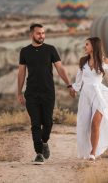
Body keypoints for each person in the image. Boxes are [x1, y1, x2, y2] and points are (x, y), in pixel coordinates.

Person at [17, 23, 73, 165]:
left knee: (47, 122)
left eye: (43, 33)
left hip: (48, 92)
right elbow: (21, 72)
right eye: (38, 33)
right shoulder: (25, 51)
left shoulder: (50, 49)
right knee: (35, 124)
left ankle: (45, 142)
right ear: (32, 35)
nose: (41, 36)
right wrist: (19, 92)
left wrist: (69, 84)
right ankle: (39, 153)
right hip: (31, 94)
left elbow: (60, 68)